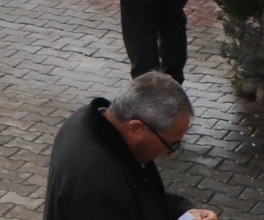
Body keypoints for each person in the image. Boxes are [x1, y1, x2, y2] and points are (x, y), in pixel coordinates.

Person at [42, 74, 214, 220]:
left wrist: (183, 211)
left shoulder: (85, 120)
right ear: (135, 128)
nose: (169, 153)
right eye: (170, 144)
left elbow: (139, 194)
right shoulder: (103, 191)